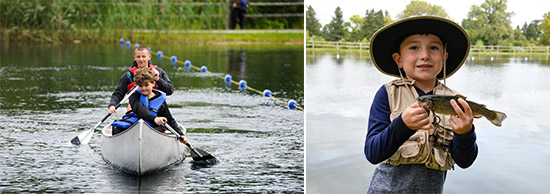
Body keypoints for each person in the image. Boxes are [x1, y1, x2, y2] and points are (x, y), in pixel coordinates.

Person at [364, 16, 478, 193]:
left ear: (444, 57)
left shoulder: (455, 101)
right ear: (398, 59)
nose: (425, 55)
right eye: (414, 48)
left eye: (433, 48)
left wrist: (465, 133)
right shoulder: (387, 94)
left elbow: (465, 161)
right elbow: (372, 153)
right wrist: (402, 125)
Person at [110, 67, 188, 144]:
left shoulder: (160, 98)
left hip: (153, 127)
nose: (143, 88)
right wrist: (154, 119)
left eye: (146, 85)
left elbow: (170, 120)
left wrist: (181, 134)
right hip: (137, 122)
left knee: (158, 129)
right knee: (118, 127)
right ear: (137, 85)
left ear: (153, 84)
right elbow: (140, 109)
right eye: (140, 86)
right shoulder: (134, 95)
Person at [108, 45, 174, 114]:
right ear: (135, 58)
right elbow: (118, 93)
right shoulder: (129, 76)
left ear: (149, 57)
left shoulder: (159, 72)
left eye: (144, 56)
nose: (141, 59)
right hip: (135, 109)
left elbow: (170, 91)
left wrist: (158, 79)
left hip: (156, 109)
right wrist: (112, 105)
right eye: (138, 57)